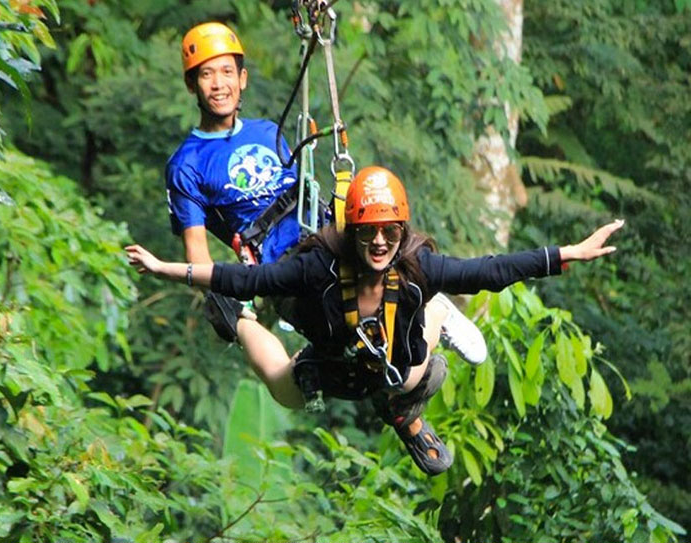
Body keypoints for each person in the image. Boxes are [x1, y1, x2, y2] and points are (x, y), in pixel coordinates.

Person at [127, 166, 624, 475]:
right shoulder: (316, 267)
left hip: (393, 353)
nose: (381, 242)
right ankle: (237, 324)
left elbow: (487, 271)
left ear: (401, 230)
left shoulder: (415, 269)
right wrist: (167, 269)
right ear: (354, 231)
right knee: (285, 389)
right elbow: (245, 279)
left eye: (390, 231)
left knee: (415, 373)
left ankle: (435, 312)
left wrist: (566, 255)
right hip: (339, 353)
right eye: (369, 232)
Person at [167, 21, 486, 366]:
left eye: (227, 72)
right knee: (338, 329)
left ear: (242, 79)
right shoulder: (187, 163)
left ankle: (433, 305)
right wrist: (228, 290)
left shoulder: (266, 132)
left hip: (320, 226)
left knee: (381, 247)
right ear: (191, 84)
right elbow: (196, 253)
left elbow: (299, 188)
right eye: (207, 75)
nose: (219, 84)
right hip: (279, 260)